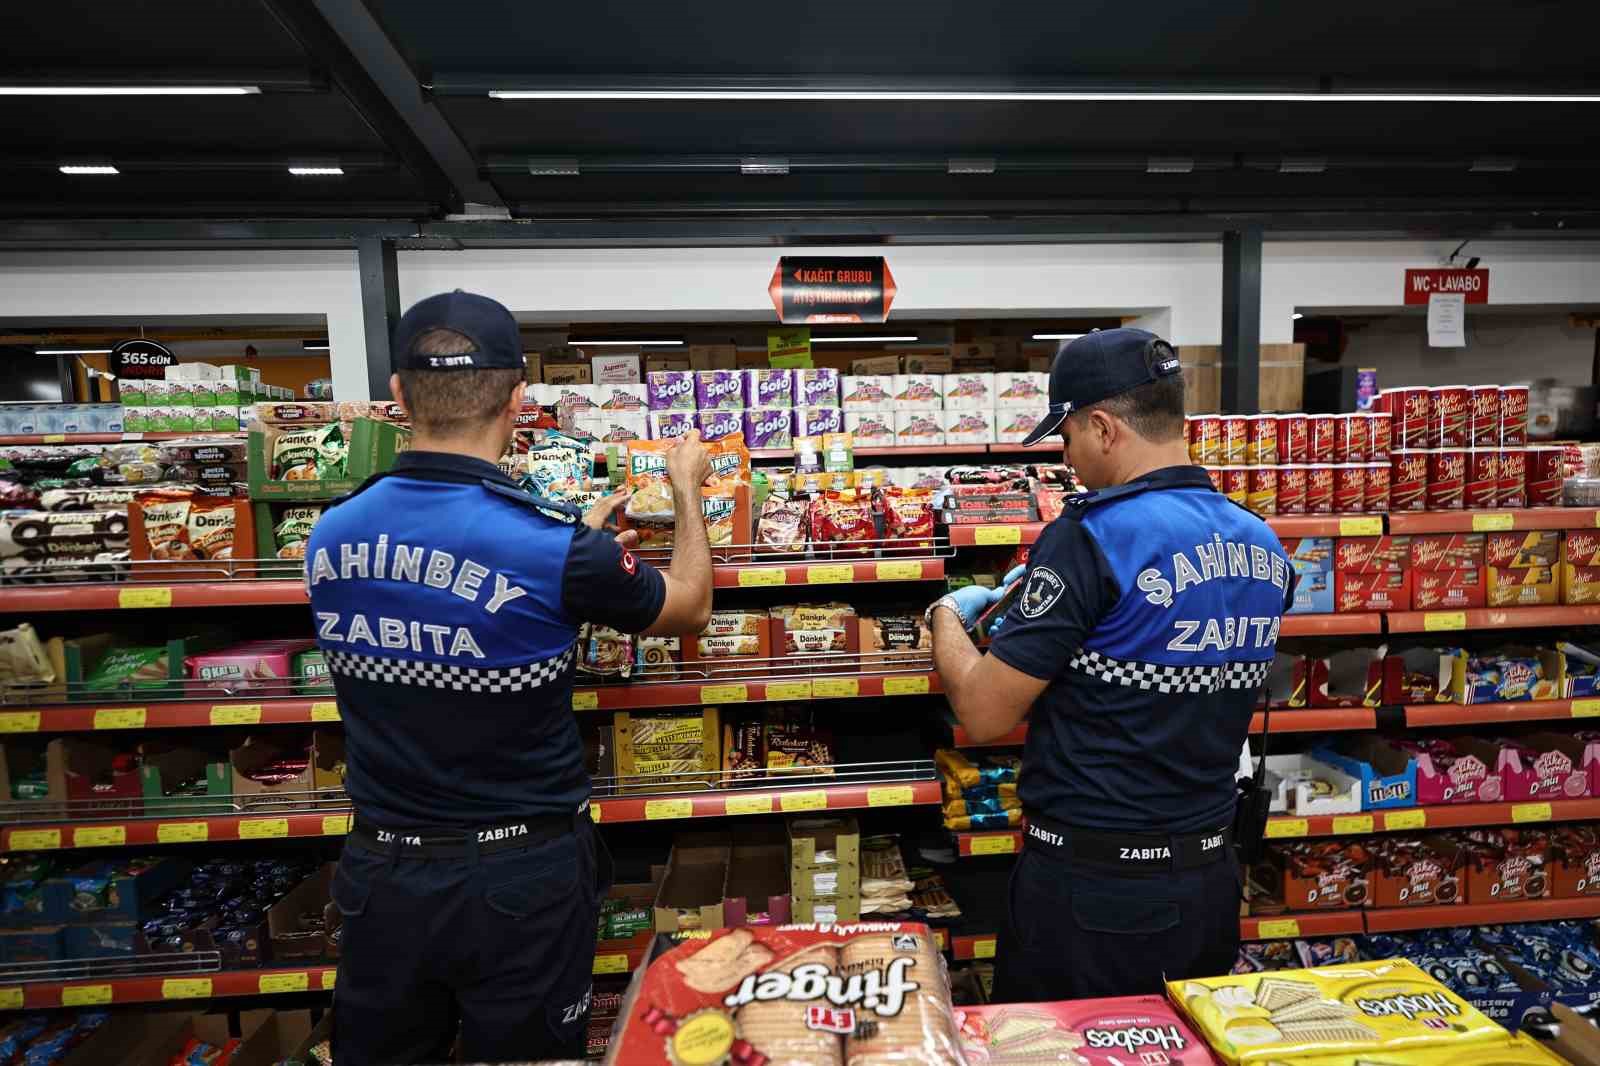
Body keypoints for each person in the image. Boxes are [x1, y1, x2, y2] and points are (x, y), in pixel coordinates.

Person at [307, 290, 714, 1065]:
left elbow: (430, 599)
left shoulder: (330, 531)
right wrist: (687, 488)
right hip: (521, 874)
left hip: (382, 870)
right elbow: (689, 606)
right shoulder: (554, 550)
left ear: (398, 395)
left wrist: (574, 550)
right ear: (518, 401)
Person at [926, 328, 1292, 1002]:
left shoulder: (1091, 535)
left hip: (1092, 894)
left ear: (1101, 427)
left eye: (1064, 439)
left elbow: (982, 713)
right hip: (1210, 883)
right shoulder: (1262, 541)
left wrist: (946, 618)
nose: (1066, 459)